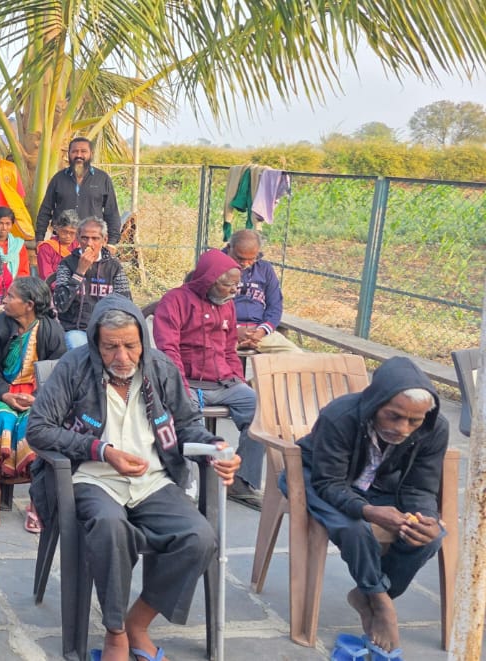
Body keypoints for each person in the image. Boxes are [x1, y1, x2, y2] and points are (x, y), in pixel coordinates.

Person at [27, 295, 240, 661]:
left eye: (130, 345)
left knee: (199, 537)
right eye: (111, 347)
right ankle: (114, 633)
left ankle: (137, 623)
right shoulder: (74, 368)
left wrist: (215, 446)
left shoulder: (160, 368)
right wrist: (103, 451)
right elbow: (38, 429)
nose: (122, 357)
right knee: (110, 526)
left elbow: (188, 424)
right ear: (96, 342)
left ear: (143, 339)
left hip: (153, 479)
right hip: (92, 478)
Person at [294, 357, 448, 657]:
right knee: (353, 526)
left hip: (374, 486)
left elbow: (420, 487)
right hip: (316, 478)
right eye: (393, 416)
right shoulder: (341, 416)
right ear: (376, 403)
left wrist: (427, 518)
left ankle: (370, 594)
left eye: (413, 421)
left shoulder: (434, 428)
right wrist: (368, 511)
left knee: (430, 535)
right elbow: (329, 483)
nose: (402, 428)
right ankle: (380, 601)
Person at [153, 248, 261, 507]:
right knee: (187, 416)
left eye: (237, 285)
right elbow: (169, 349)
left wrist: (238, 379)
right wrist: (179, 386)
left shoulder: (228, 306)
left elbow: (229, 348)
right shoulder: (175, 301)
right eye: (228, 285)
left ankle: (241, 482)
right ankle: (187, 486)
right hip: (186, 381)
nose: (234, 290)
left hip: (223, 382)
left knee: (259, 409)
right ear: (209, 280)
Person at [0, 277, 65, 532]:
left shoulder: (51, 330)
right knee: (2, 420)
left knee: (34, 424)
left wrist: (38, 398)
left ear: (29, 305)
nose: (4, 300)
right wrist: (5, 394)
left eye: (10, 297)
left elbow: (58, 373)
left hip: (39, 393)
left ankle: (35, 501)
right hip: (2, 390)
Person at [52, 217, 132, 349]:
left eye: (95, 238)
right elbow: (60, 305)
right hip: (75, 330)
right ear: (78, 238)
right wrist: (79, 272)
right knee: (77, 346)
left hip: (107, 330)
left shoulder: (114, 267)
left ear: (104, 240)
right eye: (84, 238)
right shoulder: (67, 264)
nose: (89, 243)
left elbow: (125, 304)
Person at [36, 137, 123, 243]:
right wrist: (39, 238)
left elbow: (112, 212)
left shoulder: (102, 179)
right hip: (62, 241)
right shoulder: (58, 178)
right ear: (69, 154)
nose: (79, 155)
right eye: (74, 151)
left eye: (83, 151)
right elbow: (45, 210)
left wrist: (112, 242)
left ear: (91, 153)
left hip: (91, 241)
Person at [226, 229, 300, 353]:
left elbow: (275, 305)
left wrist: (262, 331)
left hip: (258, 333)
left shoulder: (265, 269)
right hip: (226, 331)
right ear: (229, 248)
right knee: (216, 358)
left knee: (296, 355)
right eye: (240, 258)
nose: (246, 264)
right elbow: (210, 306)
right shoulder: (217, 265)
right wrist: (234, 330)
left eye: (251, 259)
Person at [36, 209, 80, 282]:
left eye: (72, 233)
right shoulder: (46, 248)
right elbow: (47, 276)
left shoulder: (79, 247)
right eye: (64, 232)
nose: (68, 236)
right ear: (57, 229)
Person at [0, 206, 31, 278]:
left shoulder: (18, 245)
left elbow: (23, 272)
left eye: (7, 224)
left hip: (15, 285)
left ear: (12, 225)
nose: (4, 227)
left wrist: (14, 286)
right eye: (0, 223)